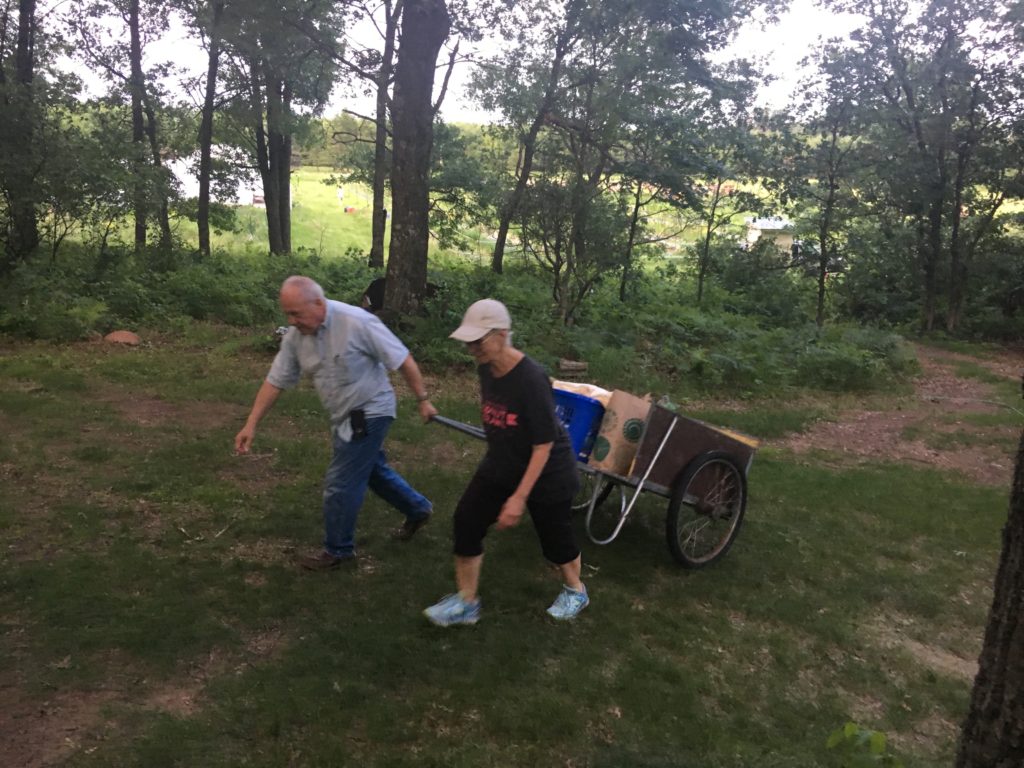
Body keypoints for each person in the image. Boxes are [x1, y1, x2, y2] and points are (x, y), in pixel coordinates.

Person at [235, 276, 437, 570]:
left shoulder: (357, 322)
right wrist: (250, 424)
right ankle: (418, 508)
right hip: (342, 414)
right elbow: (275, 381)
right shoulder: (296, 336)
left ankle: (338, 550)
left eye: (296, 313)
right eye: (287, 314)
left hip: (371, 409)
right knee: (371, 471)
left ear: (318, 303)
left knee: (341, 481)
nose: (291, 321)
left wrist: (423, 399)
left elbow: (402, 359)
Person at [423, 299, 589, 625]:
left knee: (556, 542)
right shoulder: (486, 367)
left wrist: (518, 497)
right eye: (468, 342)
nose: (472, 349)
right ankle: (467, 603)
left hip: (548, 471)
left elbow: (543, 444)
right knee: (467, 521)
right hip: (503, 462)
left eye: (478, 341)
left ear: (502, 334)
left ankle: (576, 591)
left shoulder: (531, 378)